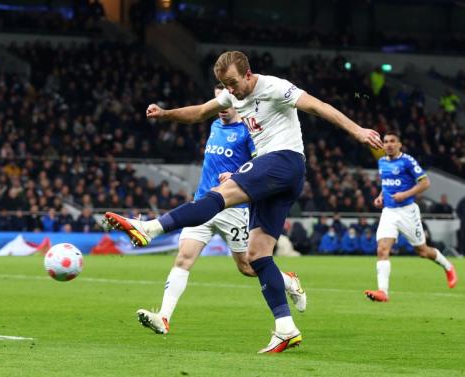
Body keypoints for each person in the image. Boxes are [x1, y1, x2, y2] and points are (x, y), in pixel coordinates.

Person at [104, 51, 382, 353]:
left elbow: (318, 106)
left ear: (248, 74)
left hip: (283, 161)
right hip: (278, 178)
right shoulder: (231, 96)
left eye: (234, 83)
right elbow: (199, 112)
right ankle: (286, 329)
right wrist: (166, 114)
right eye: (225, 85)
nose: (231, 91)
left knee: (218, 196)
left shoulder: (275, 87)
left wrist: (358, 130)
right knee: (258, 257)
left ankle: (152, 229)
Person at [136, 84, 306, 336]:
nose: (222, 110)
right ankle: (163, 316)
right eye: (218, 106)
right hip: (203, 202)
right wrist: (164, 114)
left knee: (248, 266)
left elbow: (262, 165)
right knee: (183, 258)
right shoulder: (215, 126)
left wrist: (236, 174)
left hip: (233, 208)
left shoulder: (249, 131)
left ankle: (289, 282)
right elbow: (198, 117)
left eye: (226, 105)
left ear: (236, 103)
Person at [364, 132, 457, 302]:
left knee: (422, 251)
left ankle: (448, 266)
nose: (389, 145)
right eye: (386, 142)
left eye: (393, 141)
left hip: (407, 211)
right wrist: (381, 196)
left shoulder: (407, 161)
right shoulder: (382, 162)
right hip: (389, 212)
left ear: (400, 144)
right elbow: (387, 184)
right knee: (382, 249)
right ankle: (383, 291)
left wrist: (405, 194)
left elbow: (425, 182)